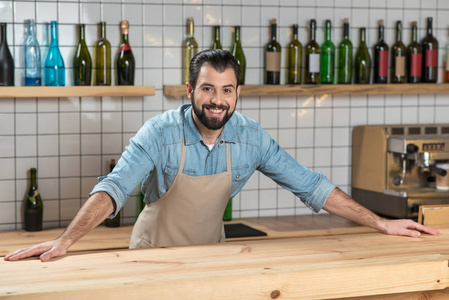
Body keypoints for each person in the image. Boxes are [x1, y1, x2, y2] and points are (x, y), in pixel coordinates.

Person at [5, 49, 438, 262]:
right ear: (190, 91)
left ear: (237, 94)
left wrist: (381, 223)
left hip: (213, 255)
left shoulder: (251, 138)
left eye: (226, 90)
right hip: (152, 256)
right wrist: (66, 242)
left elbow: (310, 186)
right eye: (207, 89)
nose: (217, 100)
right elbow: (113, 189)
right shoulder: (159, 132)